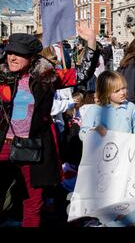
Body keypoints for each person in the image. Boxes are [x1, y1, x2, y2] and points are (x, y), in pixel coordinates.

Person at [0, 24, 100, 227]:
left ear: (31, 57)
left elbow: (82, 74)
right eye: (10, 52)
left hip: (33, 147)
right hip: (3, 145)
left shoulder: (46, 76)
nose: (12, 57)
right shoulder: (2, 76)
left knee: (33, 202)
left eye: (18, 54)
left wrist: (90, 41)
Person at [79, 71, 135, 146]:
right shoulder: (94, 110)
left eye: (123, 88)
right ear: (106, 92)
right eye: (117, 91)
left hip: (125, 151)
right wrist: (94, 132)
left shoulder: (130, 107)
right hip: (102, 153)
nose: (122, 93)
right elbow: (83, 133)